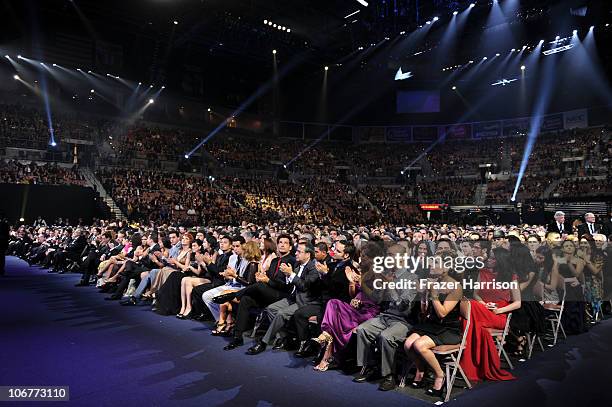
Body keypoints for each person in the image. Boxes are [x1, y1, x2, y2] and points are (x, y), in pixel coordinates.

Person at [403, 252, 463, 398]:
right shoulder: (433, 282)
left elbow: (443, 313)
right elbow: (424, 312)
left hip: (449, 329)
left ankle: (439, 375)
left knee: (419, 345)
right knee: (408, 344)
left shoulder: (455, 286)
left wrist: (434, 294)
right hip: (432, 325)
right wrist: (424, 295)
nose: (431, 265)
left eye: (435, 263)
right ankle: (421, 369)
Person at [246, 242, 320, 355]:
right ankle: (284, 337)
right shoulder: (296, 264)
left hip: (305, 302)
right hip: (292, 297)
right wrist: (287, 275)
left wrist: (290, 274)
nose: (296, 253)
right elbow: (290, 284)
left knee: (281, 313)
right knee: (270, 309)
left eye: (299, 251)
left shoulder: (313, 268)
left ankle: (264, 342)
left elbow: (304, 286)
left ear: (308, 254)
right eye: (297, 251)